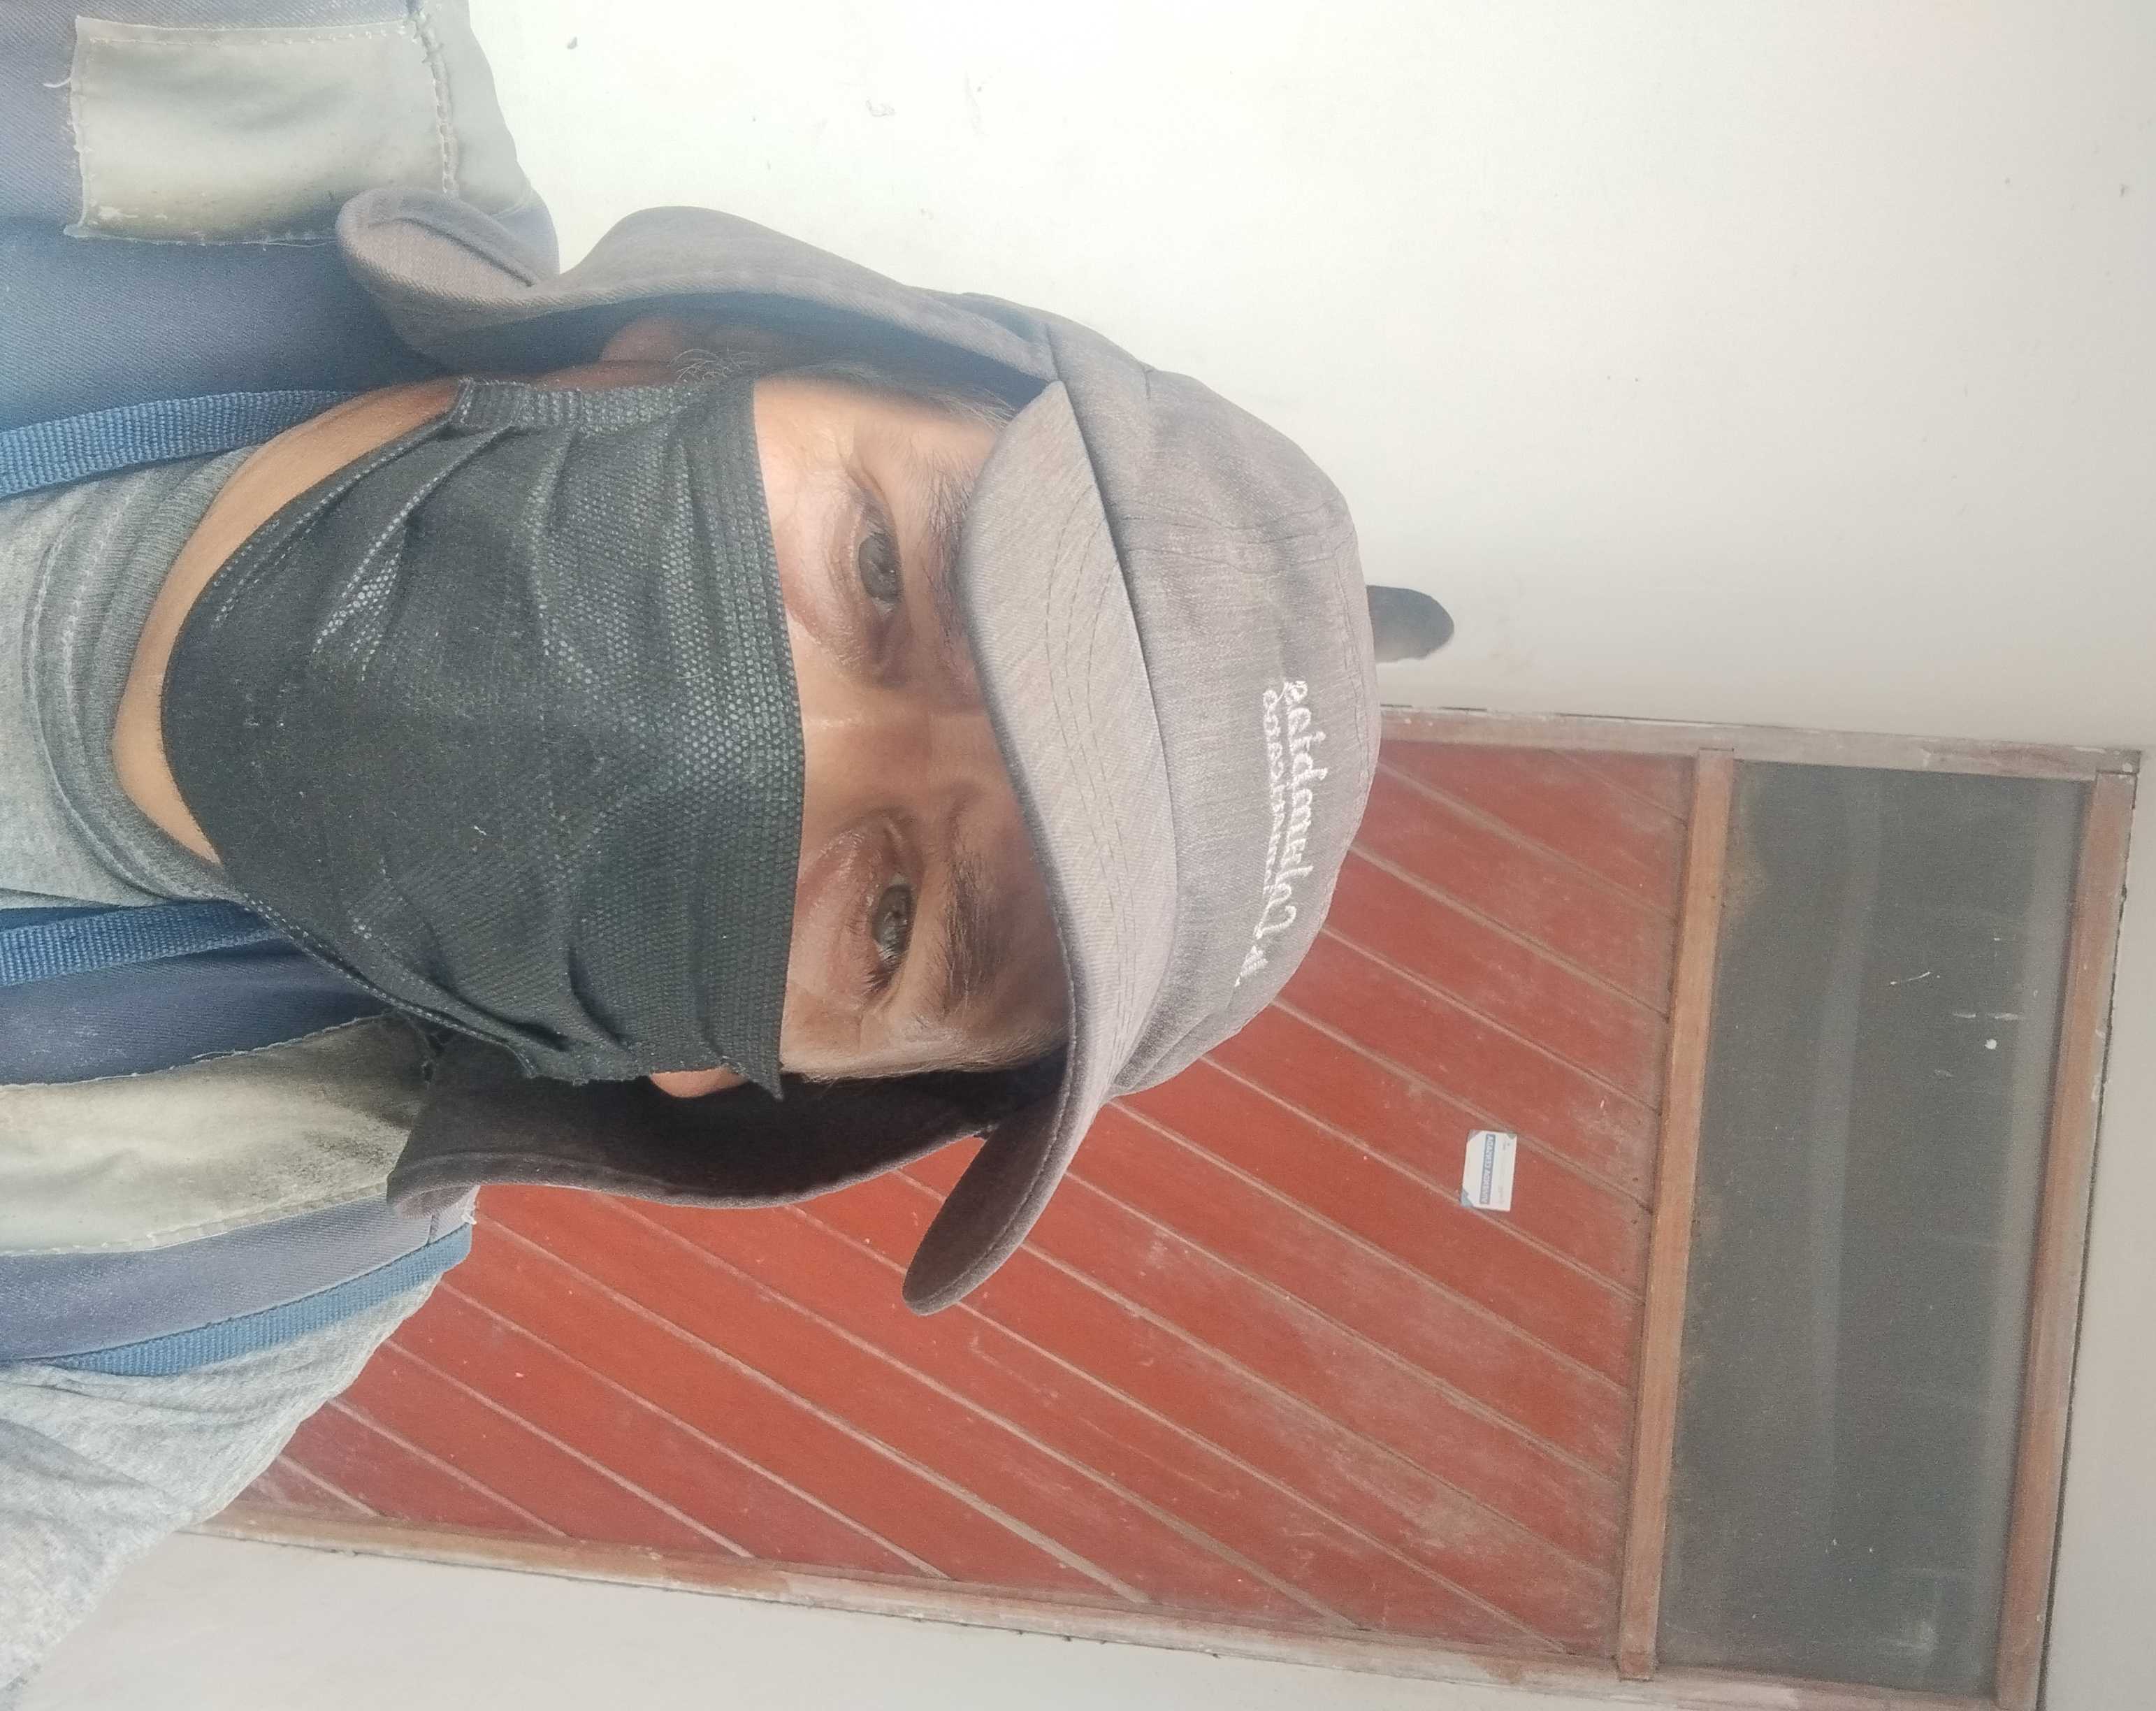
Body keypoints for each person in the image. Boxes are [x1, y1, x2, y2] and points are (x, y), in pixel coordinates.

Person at [0, 0, 1446, 1695]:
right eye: (881, 569)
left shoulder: (204, 1301)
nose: (756, 744)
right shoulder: (231, 67)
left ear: (696, 1071)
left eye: (895, 920)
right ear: (699, 338)